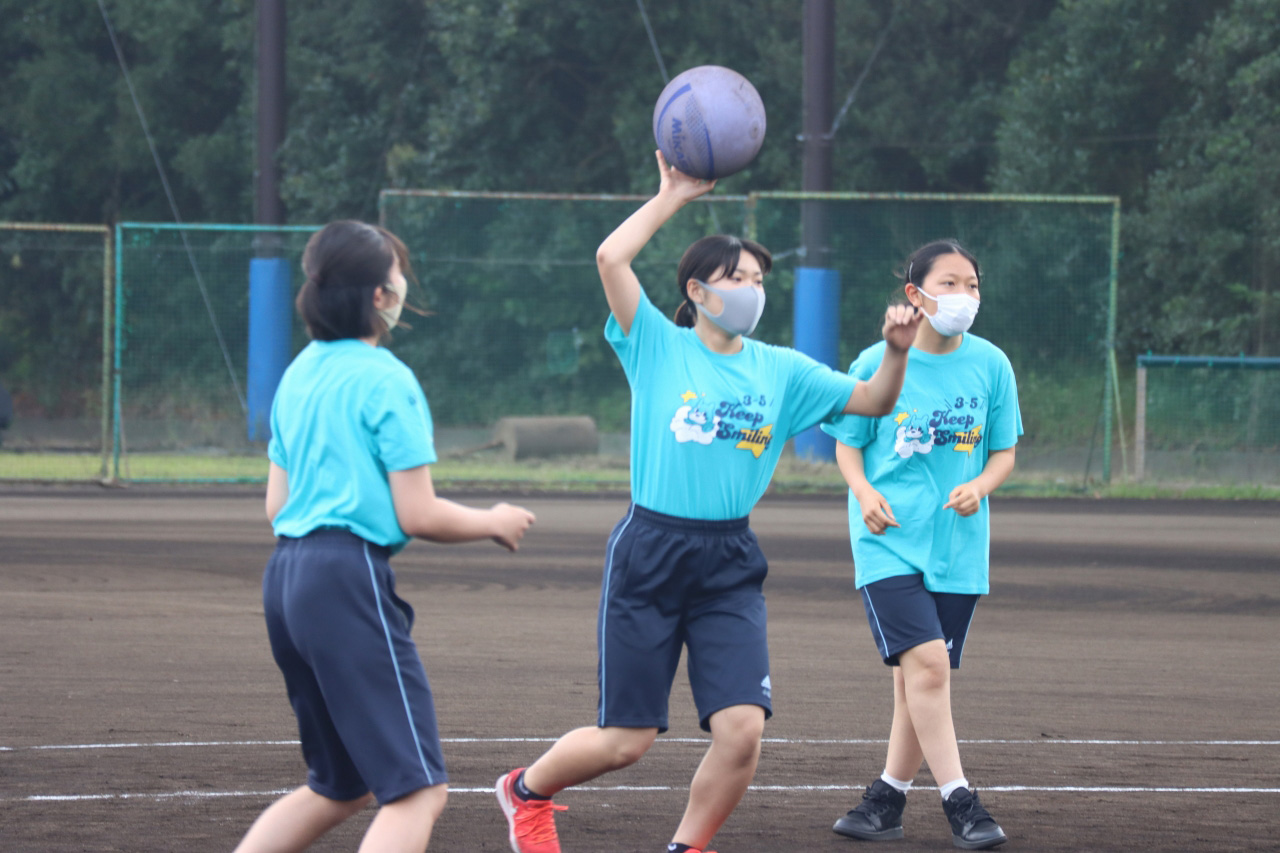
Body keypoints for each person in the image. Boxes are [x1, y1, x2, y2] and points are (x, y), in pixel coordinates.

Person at [494, 151, 922, 853]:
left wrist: (896, 352)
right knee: (625, 741)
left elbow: (873, 399)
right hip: (652, 548)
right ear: (697, 289)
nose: (753, 288)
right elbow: (610, 258)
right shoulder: (657, 345)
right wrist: (671, 195)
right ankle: (525, 791)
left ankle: (687, 847)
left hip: (728, 556)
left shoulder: (782, 369)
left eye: (759, 278)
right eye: (739, 277)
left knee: (742, 728)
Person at [235, 220, 536, 853]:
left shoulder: (298, 374)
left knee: (337, 785)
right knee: (418, 791)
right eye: (398, 273)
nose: (403, 284)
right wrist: (493, 521)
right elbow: (417, 514)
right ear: (379, 295)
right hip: (346, 579)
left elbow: (276, 504)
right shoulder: (386, 378)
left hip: (286, 577)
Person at [821, 240, 1021, 850]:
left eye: (974, 285)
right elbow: (848, 442)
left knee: (918, 678)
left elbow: (1004, 451)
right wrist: (861, 491)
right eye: (951, 284)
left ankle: (884, 800)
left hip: (958, 547)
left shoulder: (991, 365)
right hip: (888, 540)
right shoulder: (877, 360)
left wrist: (981, 485)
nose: (965, 296)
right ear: (915, 294)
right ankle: (962, 801)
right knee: (930, 665)